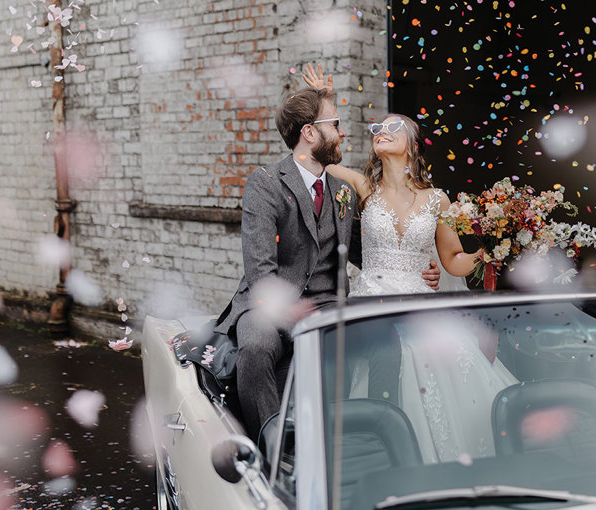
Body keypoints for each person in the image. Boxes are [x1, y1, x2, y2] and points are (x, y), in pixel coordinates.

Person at [303, 64, 517, 463]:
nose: (381, 132)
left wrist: (493, 251)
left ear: (413, 146)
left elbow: (453, 261)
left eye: (393, 128)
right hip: (373, 303)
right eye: (377, 130)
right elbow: (319, 159)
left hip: (419, 300)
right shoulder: (363, 187)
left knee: (443, 350)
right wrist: (324, 100)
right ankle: (377, 455)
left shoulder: (438, 199)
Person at [213, 85, 440, 437]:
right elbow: (260, 270)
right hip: (266, 305)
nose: (343, 132)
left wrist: (414, 266)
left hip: (326, 304)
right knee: (256, 349)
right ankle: (272, 446)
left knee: (384, 341)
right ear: (309, 132)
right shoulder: (266, 183)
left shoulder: (342, 192)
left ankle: (375, 436)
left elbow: (364, 251)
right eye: (335, 124)